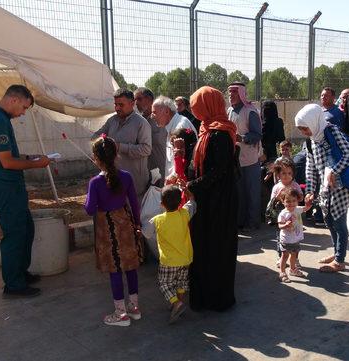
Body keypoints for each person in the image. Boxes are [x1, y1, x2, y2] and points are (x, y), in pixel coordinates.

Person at [0, 85, 49, 298]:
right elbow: (7, 162)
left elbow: (8, 154)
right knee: (15, 234)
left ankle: (20, 273)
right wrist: (38, 165)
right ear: (14, 100)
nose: (23, 113)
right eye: (24, 107)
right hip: (5, 186)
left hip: (8, 185)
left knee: (25, 229)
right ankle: (13, 284)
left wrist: (29, 157)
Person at [186, 86, 239, 312]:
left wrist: (192, 185)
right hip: (207, 199)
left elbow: (219, 171)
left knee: (216, 247)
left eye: (197, 104)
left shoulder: (220, 134)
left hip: (219, 202)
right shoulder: (206, 129)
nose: (193, 109)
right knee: (202, 247)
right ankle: (202, 296)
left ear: (208, 104)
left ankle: (217, 299)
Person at [85, 136, 143, 326]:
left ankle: (121, 314)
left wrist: (88, 198)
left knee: (115, 269)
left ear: (96, 158)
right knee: (130, 265)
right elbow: (134, 203)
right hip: (126, 225)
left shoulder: (95, 182)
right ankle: (134, 308)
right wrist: (137, 225)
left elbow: (90, 209)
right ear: (116, 154)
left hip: (106, 229)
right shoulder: (126, 176)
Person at [295, 104, 349, 273]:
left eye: (305, 128)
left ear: (314, 121)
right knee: (328, 220)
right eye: (301, 129)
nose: (304, 132)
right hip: (325, 187)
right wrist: (309, 191)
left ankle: (340, 260)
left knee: (339, 222)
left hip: (340, 186)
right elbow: (311, 167)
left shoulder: (331, 132)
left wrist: (334, 172)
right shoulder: (312, 139)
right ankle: (337, 253)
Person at [92, 88, 151, 199]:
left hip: (135, 182)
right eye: (115, 105)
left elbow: (146, 149)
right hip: (114, 179)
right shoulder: (112, 121)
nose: (117, 108)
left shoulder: (141, 123)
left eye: (121, 105)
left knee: (134, 213)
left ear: (132, 104)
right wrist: (103, 142)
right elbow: (95, 136)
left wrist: (120, 147)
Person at [150, 185, 197, 324]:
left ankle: (176, 303)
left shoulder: (158, 220)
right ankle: (179, 304)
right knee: (181, 282)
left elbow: (147, 233)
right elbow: (193, 201)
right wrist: (188, 192)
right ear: (179, 202)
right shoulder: (184, 214)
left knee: (164, 283)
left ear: (161, 204)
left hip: (169, 261)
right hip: (186, 258)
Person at [227, 82, 263, 231]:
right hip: (235, 160)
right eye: (229, 93)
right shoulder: (229, 111)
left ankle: (253, 223)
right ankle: (240, 222)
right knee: (239, 193)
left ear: (241, 94)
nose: (231, 95)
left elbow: (257, 135)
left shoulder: (250, 111)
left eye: (234, 93)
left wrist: (241, 138)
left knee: (252, 192)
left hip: (250, 159)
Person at [151, 96, 197, 177]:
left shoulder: (181, 126)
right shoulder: (172, 125)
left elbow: (185, 162)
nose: (152, 116)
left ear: (166, 111)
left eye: (154, 112)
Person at [277, 188, 313, 283]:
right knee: (284, 256)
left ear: (297, 201)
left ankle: (293, 269)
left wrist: (308, 203)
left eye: (294, 201)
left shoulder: (297, 209)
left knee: (294, 255)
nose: (291, 203)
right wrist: (285, 225)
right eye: (288, 201)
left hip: (296, 239)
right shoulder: (283, 213)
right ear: (283, 201)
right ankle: (282, 272)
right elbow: (280, 225)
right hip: (286, 239)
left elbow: (306, 208)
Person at [135, 87, 167, 188]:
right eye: (134, 100)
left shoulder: (163, 118)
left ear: (149, 100)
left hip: (162, 168)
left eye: (139, 99)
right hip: (145, 170)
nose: (136, 103)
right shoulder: (138, 121)